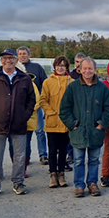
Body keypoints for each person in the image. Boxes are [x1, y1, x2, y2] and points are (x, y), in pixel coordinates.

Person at [0, 49, 36, 198]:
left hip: (19, 124)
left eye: (10, 58)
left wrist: (24, 115)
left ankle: (18, 182)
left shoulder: (24, 78)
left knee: (19, 156)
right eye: (4, 58)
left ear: (16, 60)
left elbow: (31, 99)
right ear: (1, 60)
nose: (7, 61)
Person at [59, 56, 109, 198]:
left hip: (95, 131)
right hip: (79, 131)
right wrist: (73, 125)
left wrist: (101, 125)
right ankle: (79, 185)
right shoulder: (73, 87)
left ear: (95, 70)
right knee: (78, 160)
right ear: (80, 70)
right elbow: (64, 109)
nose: (87, 71)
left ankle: (92, 183)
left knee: (94, 159)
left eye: (90, 68)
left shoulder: (102, 88)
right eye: (85, 68)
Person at [39, 56, 73, 188]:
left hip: (65, 123)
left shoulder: (72, 82)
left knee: (63, 150)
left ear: (67, 68)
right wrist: (51, 112)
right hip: (52, 122)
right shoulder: (48, 82)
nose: (60, 68)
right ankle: (53, 174)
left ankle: (61, 174)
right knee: (52, 150)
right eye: (58, 65)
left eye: (63, 66)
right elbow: (43, 100)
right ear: (55, 67)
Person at [17, 46, 49, 166]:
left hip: (37, 105)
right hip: (21, 107)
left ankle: (43, 155)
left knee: (40, 131)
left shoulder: (37, 68)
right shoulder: (15, 69)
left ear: (29, 55)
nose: (22, 56)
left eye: (24, 54)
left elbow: (45, 83)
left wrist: (42, 99)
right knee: (25, 133)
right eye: (20, 54)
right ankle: (26, 157)